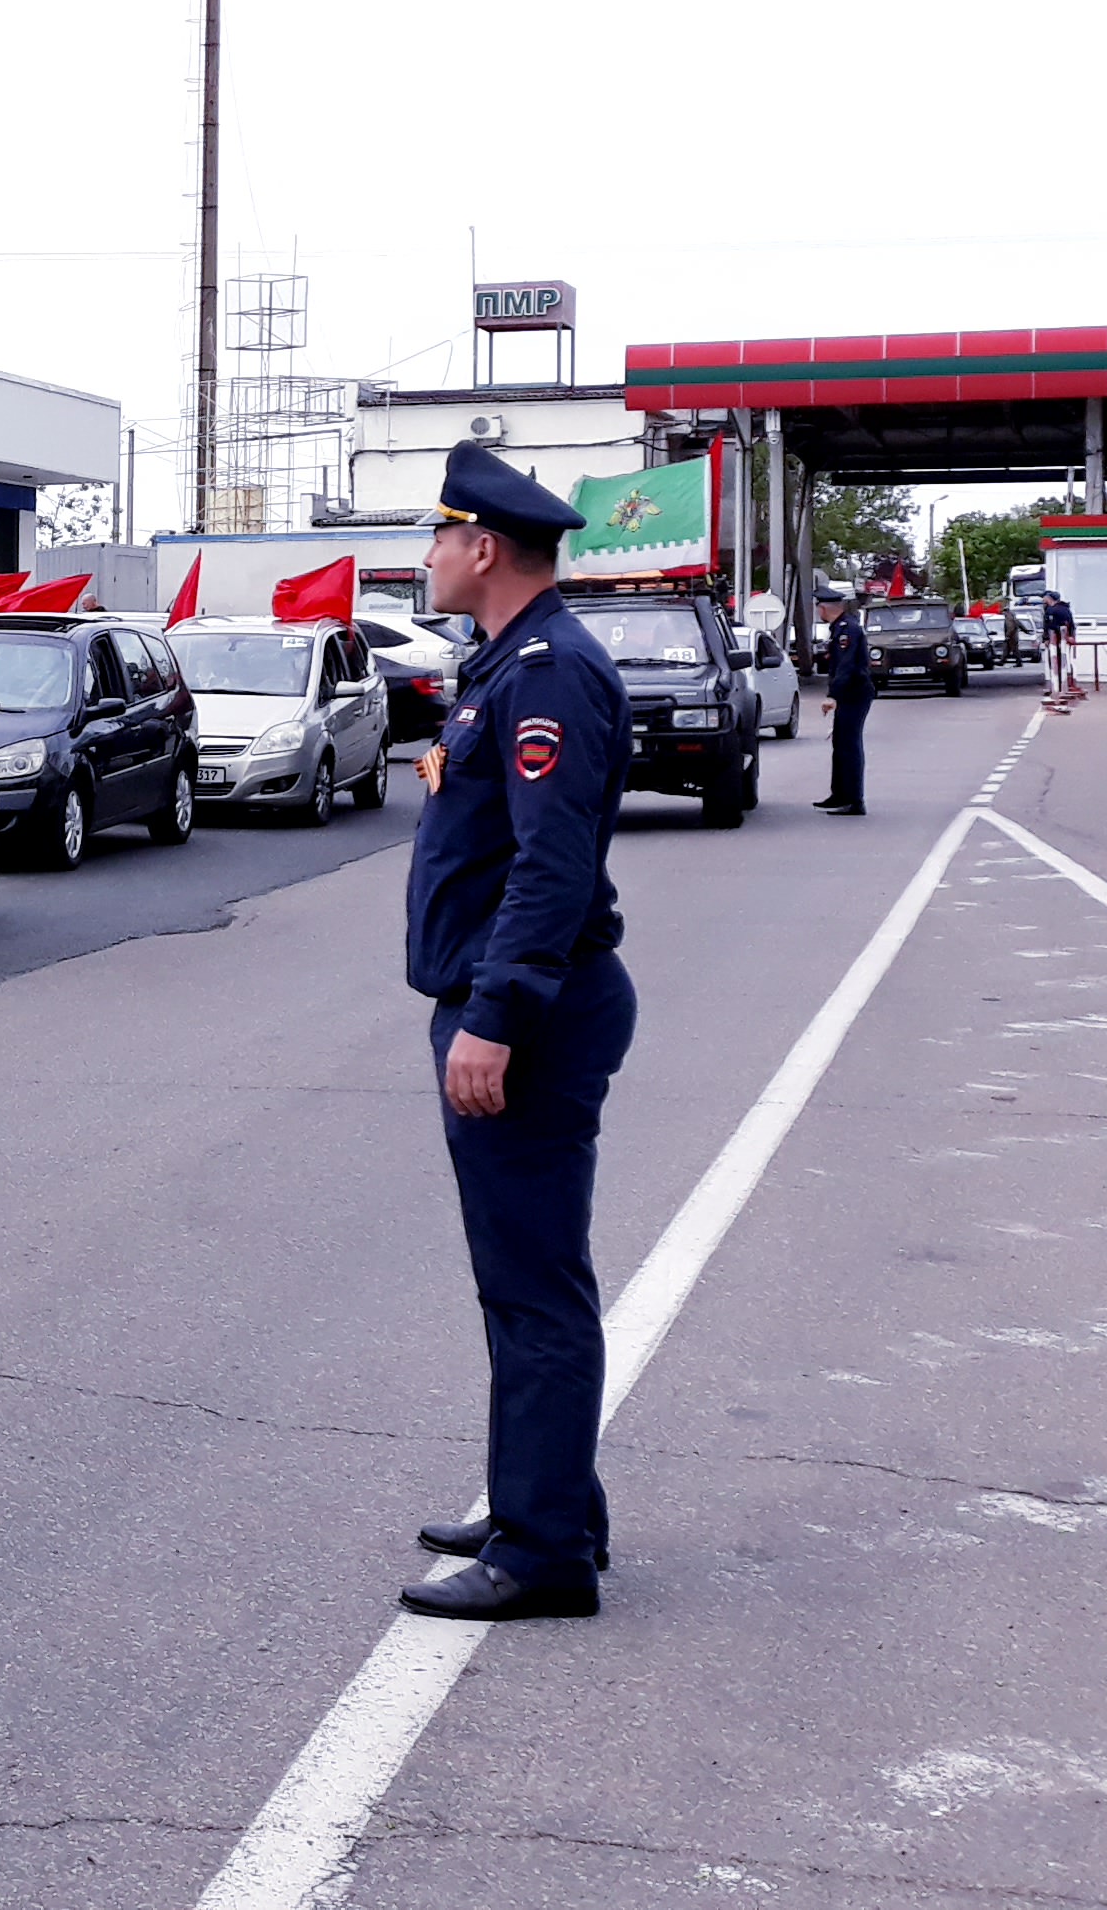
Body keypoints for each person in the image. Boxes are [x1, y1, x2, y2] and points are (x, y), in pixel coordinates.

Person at [400, 440, 632, 1623]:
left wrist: (490, 1019)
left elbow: (549, 867)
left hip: (527, 1011)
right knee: (522, 1278)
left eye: (438, 536)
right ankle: (543, 1499)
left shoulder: (546, 673)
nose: (428, 556)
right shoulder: (507, 663)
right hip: (512, 998)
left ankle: (544, 1552)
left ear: (482, 547)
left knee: (533, 1286)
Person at [813, 583, 873, 815]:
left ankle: (854, 800)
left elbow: (846, 666)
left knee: (849, 746)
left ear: (825, 608)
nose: (818, 611)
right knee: (840, 744)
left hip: (854, 694)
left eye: (819, 607)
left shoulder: (848, 630)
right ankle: (839, 794)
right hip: (850, 694)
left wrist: (833, 696)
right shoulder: (840, 628)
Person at [1041, 587, 1080, 707]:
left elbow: (1049, 626)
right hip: (1064, 640)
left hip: (1056, 640)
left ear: (1049, 598)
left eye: (1045, 597)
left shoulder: (1052, 610)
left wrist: (1046, 638)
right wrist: (1071, 636)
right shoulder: (1066, 609)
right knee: (1065, 662)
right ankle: (1063, 684)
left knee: (1055, 663)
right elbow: (1071, 624)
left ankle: (1057, 686)